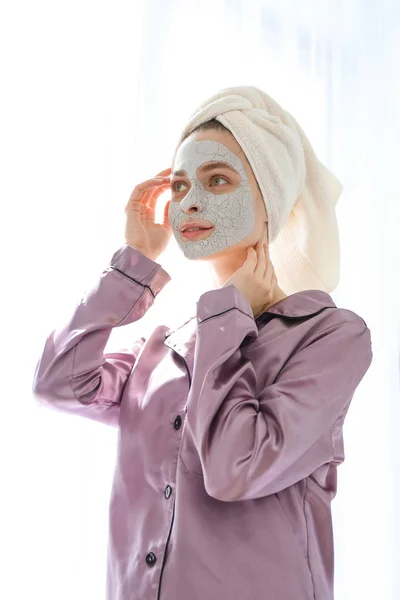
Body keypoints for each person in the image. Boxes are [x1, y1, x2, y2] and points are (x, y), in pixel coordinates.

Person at [32, 86, 373, 600]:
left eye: (218, 180)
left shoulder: (329, 336)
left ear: (270, 204)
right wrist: (134, 261)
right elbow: (57, 382)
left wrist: (228, 316)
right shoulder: (164, 345)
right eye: (182, 184)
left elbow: (235, 468)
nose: (191, 201)